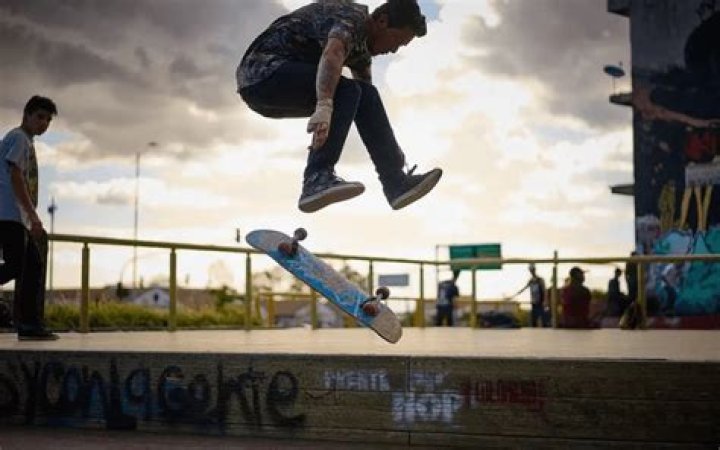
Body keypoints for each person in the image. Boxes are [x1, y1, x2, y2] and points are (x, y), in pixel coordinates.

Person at [237, 0, 443, 213]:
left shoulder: (361, 51)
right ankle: (317, 177)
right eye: (396, 41)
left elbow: (368, 106)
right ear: (382, 21)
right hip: (261, 73)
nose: (393, 50)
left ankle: (396, 183)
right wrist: (324, 106)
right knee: (347, 90)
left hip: (273, 88)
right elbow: (332, 54)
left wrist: (390, 151)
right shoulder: (353, 19)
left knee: (365, 94)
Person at [0, 95, 59, 340]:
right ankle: (28, 324)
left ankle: (29, 325)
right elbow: (16, 176)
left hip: (14, 215)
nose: (44, 123)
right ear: (26, 115)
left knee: (32, 266)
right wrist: (33, 216)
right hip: (8, 215)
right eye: (39, 117)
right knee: (20, 265)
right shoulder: (19, 138)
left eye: (48, 120)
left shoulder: (22, 140)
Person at [511, 263, 548, 327]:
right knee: (534, 318)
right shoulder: (531, 281)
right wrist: (515, 294)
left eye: (532, 269)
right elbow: (524, 288)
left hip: (540, 301)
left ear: (535, 270)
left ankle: (544, 327)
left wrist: (545, 300)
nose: (532, 271)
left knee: (542, 317)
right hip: (534, 301)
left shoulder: (540, 280)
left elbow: (544, 290)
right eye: (531, 270)